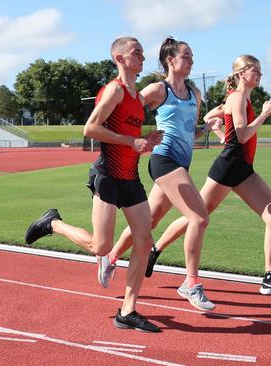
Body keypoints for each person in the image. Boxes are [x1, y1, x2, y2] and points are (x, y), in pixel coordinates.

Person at [25, 37, 163, 332]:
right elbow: (90, 128)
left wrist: (145, 142)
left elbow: (129, 138)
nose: (142, 56)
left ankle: (128, 310)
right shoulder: (115, 90)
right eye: (136, 52)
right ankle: (53, 224)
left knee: (144, 239)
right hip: (108, 176)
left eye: (141, 51)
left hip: (131, 177)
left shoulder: (138, 98)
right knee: (102, 246)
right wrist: (130, 140)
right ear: (119, 58)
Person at [95, 37, 222, 312]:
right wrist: (131, 141)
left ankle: (112, 257)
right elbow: (126, 111)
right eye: (185, 56)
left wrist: (206, 129)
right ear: (170, 60)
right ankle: (191, 282)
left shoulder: (194, 94)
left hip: (181, 164)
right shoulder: (157, 89)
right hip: (164, 161)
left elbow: (190, 133)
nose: (190, 60)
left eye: (192, 56)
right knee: (199, 217)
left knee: (149, 222)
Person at [146, 55, 271, 296]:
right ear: (241, 73)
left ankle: (268, 276)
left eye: (260, 70)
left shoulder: (239, 99)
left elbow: (211, 119)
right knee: (196, 215)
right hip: (228, 167)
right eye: (255, 70)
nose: (260, 74)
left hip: (243, 169)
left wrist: (219, 131)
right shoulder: (236, 97)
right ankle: (155, 249)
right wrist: (265, 114)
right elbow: (243, 135)